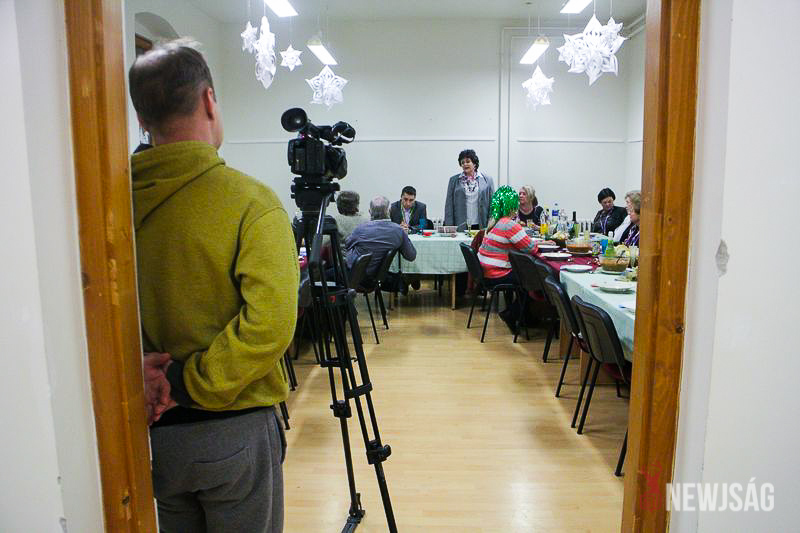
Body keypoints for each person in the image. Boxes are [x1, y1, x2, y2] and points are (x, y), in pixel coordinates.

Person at [129, 40, 297, 532]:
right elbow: (269, 325)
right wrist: (187, 382)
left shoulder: (110, 204)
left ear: (142, 119)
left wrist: (141, 373)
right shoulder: (250, 202)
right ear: (208, 100)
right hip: (233, 425)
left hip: (151, 431)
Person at [478, 186, 547, 332]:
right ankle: (511, 314)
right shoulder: (508, 224)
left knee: (526, 277)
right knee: (535, 280)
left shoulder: (495, 222)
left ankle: (525, 317)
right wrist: (544, 244)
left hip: (486, 272)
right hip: (497, 274)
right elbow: (531, 249)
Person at [345, 196, 417, 289]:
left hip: (354, 275)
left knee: (328, 274)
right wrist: (405, 236)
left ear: (370, 211)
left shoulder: (361, 229)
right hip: (377, 277)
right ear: (389, 211)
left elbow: (347, 245)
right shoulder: (398, 231)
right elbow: (411, 256)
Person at [444, 149, 494, 229]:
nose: (465, 164)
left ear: (474, 163)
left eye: (468, 161)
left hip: (482, 224)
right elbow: (449, 206)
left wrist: (491, 224)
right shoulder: (453, 180)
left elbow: (492, 204)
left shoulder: (487, 179)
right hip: (460, 224)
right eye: (462, 162)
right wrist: (449, 227)